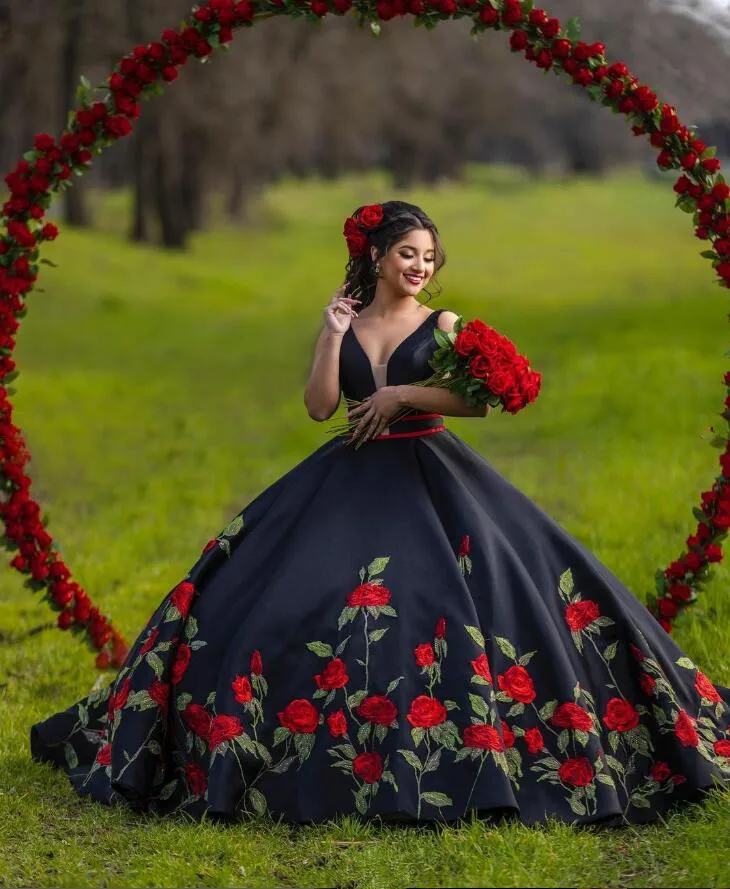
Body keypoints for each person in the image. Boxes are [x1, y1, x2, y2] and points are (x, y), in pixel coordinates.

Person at [30, 200, 730, 828]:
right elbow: (318, 408)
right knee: (280, 596)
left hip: (433, 472)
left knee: (476, 598)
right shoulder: (348, 319)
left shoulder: (445, 324)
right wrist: (332, 335)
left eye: (429, 256)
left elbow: (478, 402)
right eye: (407, 253)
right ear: (376, 256)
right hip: (351, 475)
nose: (421, 266)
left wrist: (406, 397)